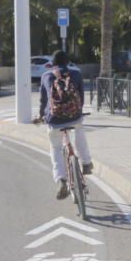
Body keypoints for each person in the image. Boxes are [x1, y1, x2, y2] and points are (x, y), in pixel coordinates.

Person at [38, 50, 93, 200]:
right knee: (79, 132)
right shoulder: (76, 74)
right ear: (67, 62)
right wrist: (78, 111)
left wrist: (41, 116)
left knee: (55, 148)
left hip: (54, 119)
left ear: (53, 64)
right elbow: (81, 96)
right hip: (74, 116)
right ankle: (87, 163)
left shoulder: (46, 76)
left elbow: (43, 101)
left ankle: (61, 180)